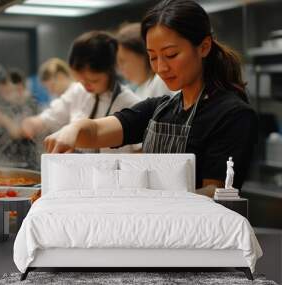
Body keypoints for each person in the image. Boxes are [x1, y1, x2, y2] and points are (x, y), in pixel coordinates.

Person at [43, 0, 258, 196]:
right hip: (152, 228)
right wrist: (74, 129)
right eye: (153, 57)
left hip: (200, 233)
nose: (161, 68)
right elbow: (97, 132)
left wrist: (144, 196)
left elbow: (216, 191)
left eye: (171, 55)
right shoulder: (160, 109)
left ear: (204, 47)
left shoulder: (233, 114)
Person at [21, 31, 141, 153]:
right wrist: (35, 122)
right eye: (80, 79)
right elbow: (52, 115)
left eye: (93, 80)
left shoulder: (130, 103)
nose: (85, 85)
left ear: (111, 71)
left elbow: (140, 152)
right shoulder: (78, 91)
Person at [116, 22, 174, 99]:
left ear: (143, 55)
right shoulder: (140, 89)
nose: (120, 68)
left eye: (123, 61)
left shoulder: (159, 82)